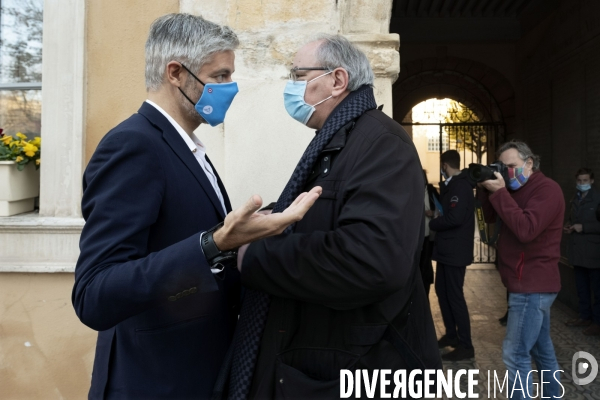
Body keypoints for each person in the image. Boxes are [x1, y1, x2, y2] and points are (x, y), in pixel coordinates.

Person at [72, 14, 320, 399]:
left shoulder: (185, 146)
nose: (230, 88)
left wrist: (249, 235)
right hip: (153, 383)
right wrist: (214, 244)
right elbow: (95, 294)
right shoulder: (134, 145)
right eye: (220, 76)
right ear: (175, 73)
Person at [215, 35, 441, 399]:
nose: (291, 85)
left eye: (298, 73)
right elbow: (328, 217)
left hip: (359, 366)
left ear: (338, 80)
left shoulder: (381, 143)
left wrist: (254, 254)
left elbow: (371, 261)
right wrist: (275, 220)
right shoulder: (342, 139)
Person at [477, 140, 564, 400]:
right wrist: (486, 188)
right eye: (503, 167)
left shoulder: (547, 190)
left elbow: (526, 229)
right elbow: (491, 217)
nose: (508, 173)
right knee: (541, 349)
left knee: (514, 355)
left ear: (529, 162)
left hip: (532, 284)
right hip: (526, 282)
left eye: (511, 166)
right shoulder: (514, 188)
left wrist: (501, 193)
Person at [429, 150, 476, 361]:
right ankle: (451, 335)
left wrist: (434, 222)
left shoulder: (461, 186)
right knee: (442, 291)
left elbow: (454, 218)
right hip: (447, 250)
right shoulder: (452, 185)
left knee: (455, 296)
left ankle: (466, 345)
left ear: (445, 165)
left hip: (456, 250)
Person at [564, 168, 600, 336]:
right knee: (582, 287)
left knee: (597, 289)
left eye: (585, 181)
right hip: (578, 251)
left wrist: (584, 227)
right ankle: (584, 316)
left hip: (594, 252)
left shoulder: (597, 199)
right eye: (579, 181)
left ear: (592, 181)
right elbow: (574, 218)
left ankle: (597, 322)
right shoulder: (575, 198)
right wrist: (569, 225)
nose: (582, 184)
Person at [420, 170, 440, 297]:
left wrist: (433, 213)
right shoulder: (410, 190)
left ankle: (425, 290)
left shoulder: (431, 191)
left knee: (425, 264)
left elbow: (440, 209)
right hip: (414, 235)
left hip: (428, 234)